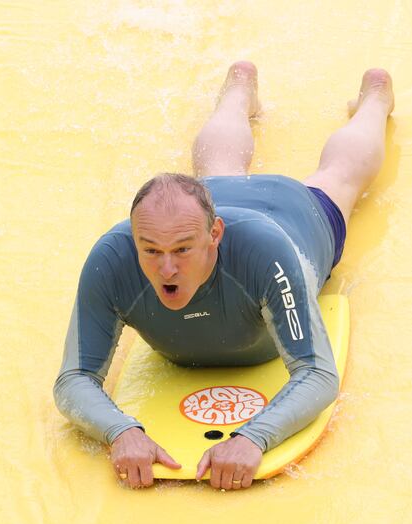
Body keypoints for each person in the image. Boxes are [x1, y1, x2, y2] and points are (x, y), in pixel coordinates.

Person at [53, 61, 394, 490]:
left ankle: (377, 97)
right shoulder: (113, 257)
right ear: (135, 237)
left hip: (293, 215)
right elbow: (73, 380)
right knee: (216, 169)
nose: (167, 268)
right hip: (208, 200)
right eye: (151, 250)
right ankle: (239, 87)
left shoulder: (267, 253)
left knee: (338, 179)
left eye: (181, 251)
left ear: (215, 234)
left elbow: (316, 372)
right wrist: (120, 429)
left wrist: (254, 436)